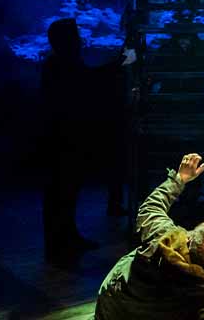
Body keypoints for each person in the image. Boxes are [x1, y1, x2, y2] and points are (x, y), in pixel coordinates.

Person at [39, 18, 136, 260]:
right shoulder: (61, 64)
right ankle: (61, 240)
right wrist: (120, 62)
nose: (80, 39)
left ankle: (65, 236)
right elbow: (88, 82)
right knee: (63, 190)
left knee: (65, 191)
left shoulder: (57, 63)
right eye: (75, 34)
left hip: (63, 137)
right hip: (65, 138)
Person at [95, 153, 204, 319]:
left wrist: (180, 179)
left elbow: (151, 207)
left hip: (115, 309)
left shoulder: (163, 236)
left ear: (188, 239)